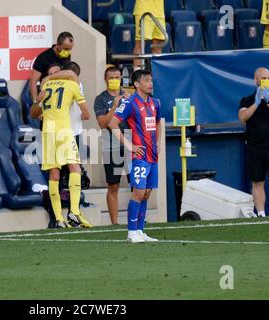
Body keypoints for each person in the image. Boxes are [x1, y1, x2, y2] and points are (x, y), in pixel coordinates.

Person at [30, 67, 92, 229]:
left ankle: (58, 218)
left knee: (54, 173)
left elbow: (33, 114)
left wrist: (38, 99)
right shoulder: (73, 85)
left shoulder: (45, 87)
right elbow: (87, 114)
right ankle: (74, 211)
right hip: (64, 131)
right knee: (75, 168)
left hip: (47, 132)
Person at [108, 69, 161, 243]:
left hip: (153, 155)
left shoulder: (155, 103)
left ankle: (140, 230)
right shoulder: (130, 103)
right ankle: (131, 232)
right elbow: (112, 124)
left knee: (146, 193)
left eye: (151, 80)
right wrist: (129, 145)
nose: (151, 83)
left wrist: (158, 141)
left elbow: (158, 121)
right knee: (138, 192)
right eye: (146, 80)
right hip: (139, 155)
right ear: (137, 84)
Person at [238, 67, 269, 217]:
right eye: (263, 78)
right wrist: (256, 103)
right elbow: (243, 117)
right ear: (256, 80)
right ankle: (261, 213)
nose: (266, 81)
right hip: (255, 146)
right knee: (257, 182)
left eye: (268, 78)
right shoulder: (246, 100)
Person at [94, 66, 131, 225]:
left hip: (130, 145)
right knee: (113, 185)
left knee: (137, 185)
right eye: (111, 78)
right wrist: (115, 106)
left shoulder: (129, 96)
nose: (115, 80)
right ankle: (115, 223)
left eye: (117, 77)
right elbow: (102, 123)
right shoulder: (101, 99)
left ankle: (135, 220)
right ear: (105, 79)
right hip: (111, 147)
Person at [29, 32, 74, 104]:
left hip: (61, 96)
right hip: (47, 97)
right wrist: (36, 102)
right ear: (58, 45)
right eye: (65, 49)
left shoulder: (67, 55)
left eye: (70, 49)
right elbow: (33, 82)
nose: (68, 52)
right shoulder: (43, 57)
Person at [133, 0, 166, 69]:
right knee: (140, 44)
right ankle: (137, 74)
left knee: (158, 45)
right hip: (144, 10)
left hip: (159, 12)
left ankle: (156, 73)